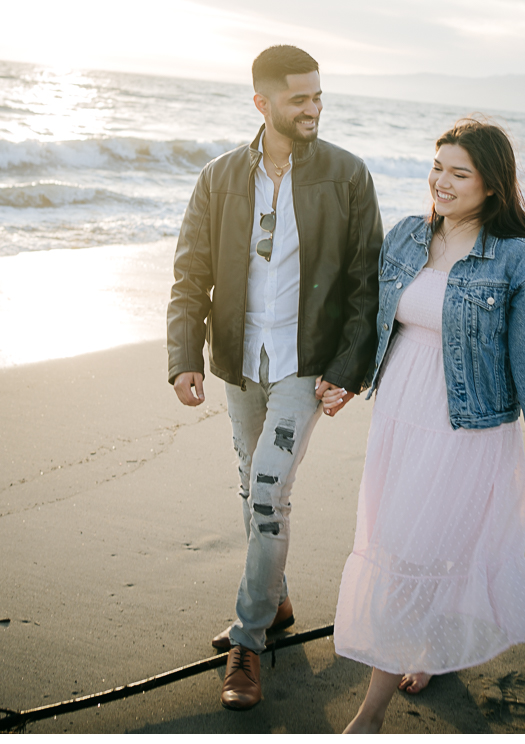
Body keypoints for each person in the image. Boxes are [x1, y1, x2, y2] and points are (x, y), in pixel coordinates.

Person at [323, 116, 525, 734]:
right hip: (399, 419)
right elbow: (373, 316)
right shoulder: (408, 237)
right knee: (403, 545)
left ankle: (371, 713)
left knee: (419, 548)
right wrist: (346, 379)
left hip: (463, 430)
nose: (441, 181)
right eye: (437, 167)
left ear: (492, 184)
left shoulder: (519, 261)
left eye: (458, 173)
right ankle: (424, 650)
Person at [167, 45, 383, 710]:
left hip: (304, 365)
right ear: (262, 103)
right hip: (238, 361)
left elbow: (364, 281)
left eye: (319, 96)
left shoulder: (346, 176)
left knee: (266, 494)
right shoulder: (219, 178)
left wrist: (349, 369)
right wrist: (183, 356)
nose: (313, 108)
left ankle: (249, 641)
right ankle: (276, 597)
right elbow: (190, 271)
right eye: (299, 98)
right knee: (249, 478)